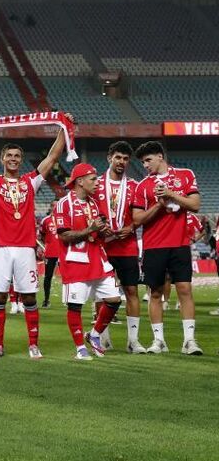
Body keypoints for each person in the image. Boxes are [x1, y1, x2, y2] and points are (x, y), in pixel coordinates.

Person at [0, 117, 67, 360]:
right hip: (0, 249)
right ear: (2, 159)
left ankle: (33, 344)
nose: (13, 159)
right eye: (9, 156)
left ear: (21, 159)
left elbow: (52, 158)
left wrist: (64, 128)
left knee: (29, 296)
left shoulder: (31, 180)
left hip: (25, 249)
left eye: (17, 156)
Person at [131, 141, 202, 355]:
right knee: (155, 293)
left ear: (160, 156)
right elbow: (137, 219)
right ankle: (158, 341)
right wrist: (158, 205)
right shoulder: (142, 186)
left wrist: (170, 194)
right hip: (154, 246)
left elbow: (195, 204)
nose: (145, 165)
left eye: (148, 160)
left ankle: (189, 340)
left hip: (179, 244)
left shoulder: (185, 175)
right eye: (142, 162)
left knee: (185, 290)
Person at [54, 164, 123, 360]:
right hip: (75, 262)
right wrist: (89, 229)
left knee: (114, 299)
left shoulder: (94, 203)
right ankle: (80, 349)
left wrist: (103, 230)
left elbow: (96, 228)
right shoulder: (63, 204)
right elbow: (64, 236)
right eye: (93, 179)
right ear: (80, 181)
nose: (97, 182)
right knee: (75, 306)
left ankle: (93, 334)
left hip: (98, 259)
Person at [93, 141, 144, 353]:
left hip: (127, 246)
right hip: (102, 246)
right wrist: (99, 227)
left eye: (125, 158)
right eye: (118, 157)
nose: (122, 162)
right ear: (109, 158)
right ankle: (102, 338)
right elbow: (89, 212)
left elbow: (139, 216)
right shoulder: (95, 185)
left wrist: (131, 227)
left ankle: (133, 341)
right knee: (101, 294)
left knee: (132, 290)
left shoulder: (134, 186)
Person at [38, 200, 61, 309]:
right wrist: (44, 247)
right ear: (51, 207)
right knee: (48, 276)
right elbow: (41, 236)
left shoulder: (64, 219)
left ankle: (70, 299)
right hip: (50, 253)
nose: (56, 208)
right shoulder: (45, 221)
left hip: (63, 252)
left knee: (68, 276)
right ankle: (46, 300)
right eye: (54, 206)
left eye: (57, 206)